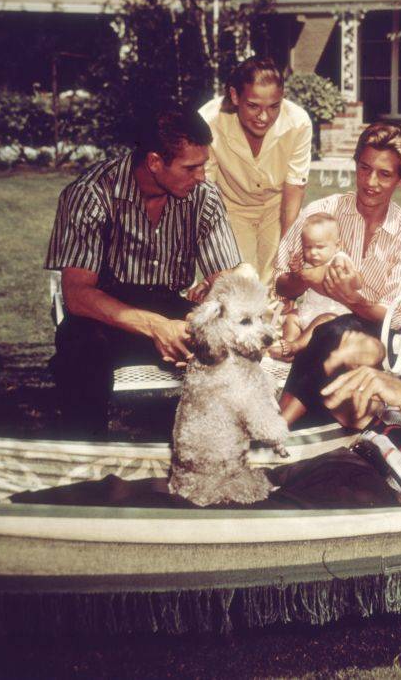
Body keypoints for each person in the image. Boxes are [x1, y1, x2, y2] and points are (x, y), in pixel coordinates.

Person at [12, 310, 401, 509]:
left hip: (370, 494)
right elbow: (361, 422)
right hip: (336, 465)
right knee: (182, 495)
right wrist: (355, 390)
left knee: (199, 522)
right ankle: (26, 512)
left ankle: (23, 525)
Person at [44, 106, 241, 438]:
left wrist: (215, 301)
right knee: (80, 348)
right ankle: (84, 456)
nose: (202, 177)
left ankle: (219, 449)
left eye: (203, 166)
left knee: (232, 337)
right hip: (104, 312)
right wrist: (155, 327)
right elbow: (77, 296)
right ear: (154, 162)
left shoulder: (203, 198)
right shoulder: (90, 194)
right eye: (191, 167)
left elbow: (226, 278)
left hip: (168, 304)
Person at [273, 122, 401, 428]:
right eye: (364, 168)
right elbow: (280, 281)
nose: (370, 182)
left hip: (373, 334)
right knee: (326, 330)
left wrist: (349, 298)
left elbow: (391, 317)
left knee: (333, 330)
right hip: (314, 321)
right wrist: (306, 277)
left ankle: (279, 423)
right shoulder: (322, 212)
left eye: (384, 174)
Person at [199, 57, 312, 285]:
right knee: (242, 285)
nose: (264, 117)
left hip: (277, 208)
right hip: (231, 209)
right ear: (234, 96)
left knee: (275, 288)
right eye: (253, 106)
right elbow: (203, 188)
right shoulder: (209, 121)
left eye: (273, 107)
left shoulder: (299, 123)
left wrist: (287, 246)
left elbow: (294, 188)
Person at [269, 213, 353, 360]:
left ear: (337, 246)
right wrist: (296, 273)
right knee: (291, 317)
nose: (313, 253)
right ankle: (288, 347)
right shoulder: (308, 265)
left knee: (323, 320)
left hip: (333, 315)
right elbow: (298, 285)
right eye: (308, 247)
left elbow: (346, 280)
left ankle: (295, 346)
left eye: (320, 247)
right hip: (309, 312)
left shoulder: (339, 260)